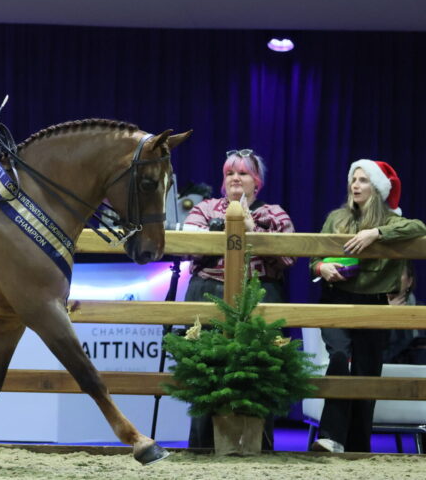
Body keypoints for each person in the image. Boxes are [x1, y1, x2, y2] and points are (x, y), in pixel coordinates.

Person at [182, 149, 296, 450]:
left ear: (256, 182)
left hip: (259, 294)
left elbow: (288, 255)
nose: (235, 178)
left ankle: (259, 445)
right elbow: (188, 247)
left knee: (260, 370)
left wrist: (252, 230)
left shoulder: (273, 213)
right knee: (205, 370)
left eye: (243, 173)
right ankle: (202, 445)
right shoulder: (205, 208)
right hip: (208, 292)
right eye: (230, 173)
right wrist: (222, 232)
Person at [310, 159, 426, 453]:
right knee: (338, 355)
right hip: (336, 298)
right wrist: (322, 267)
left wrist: (377, 234)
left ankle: (358, 448)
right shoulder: (336, 218)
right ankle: (330, 437)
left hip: (374, 303)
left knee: (366, 372)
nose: (355, 185)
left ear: (377, 188)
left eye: (363, 180)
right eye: (354, 179)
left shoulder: (392, 221)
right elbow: (313, 257)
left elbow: (419, 227)